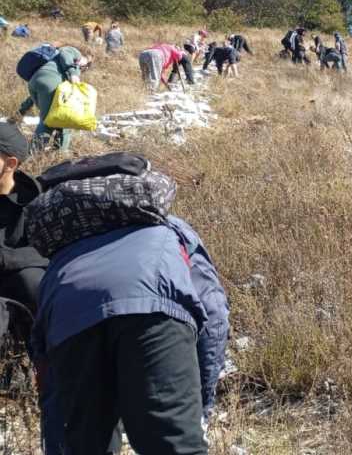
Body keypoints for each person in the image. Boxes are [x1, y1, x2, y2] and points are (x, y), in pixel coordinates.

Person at [29, 165, 229, 454]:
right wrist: (200, 405)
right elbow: (214, 314)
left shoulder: (61, 256)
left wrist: (59, 442)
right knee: (172, 445)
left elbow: (47, 366)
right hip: (155, 314)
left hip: (71, 323)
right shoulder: (171, 229)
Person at [0, 123, 48, 343]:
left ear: (10, 164)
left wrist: (5, 258)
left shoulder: (36, 202)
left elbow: (48, 252)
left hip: (13, 287)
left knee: (33, 281)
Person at [16, 46, 84, 152]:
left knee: (51, 117)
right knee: (60, 120)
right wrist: (73, 72)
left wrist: (22, 109)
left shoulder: (53, 67)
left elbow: (40, 92)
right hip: (47, 85)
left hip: (33, 83)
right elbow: (65, 52)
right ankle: (45, 154)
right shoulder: (75, 52)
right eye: (86, 65)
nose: (83, 68)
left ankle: (50, 150)